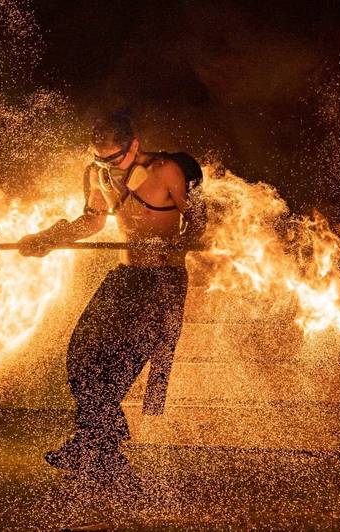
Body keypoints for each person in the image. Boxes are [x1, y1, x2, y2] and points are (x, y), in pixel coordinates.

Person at [18, 111, 207, 486]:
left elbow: (198, 222)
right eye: (99, 158)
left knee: (119, 367)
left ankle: (95, 447)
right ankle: (101, 448)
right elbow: (91, 221)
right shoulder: (96, 173)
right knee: (81, 355)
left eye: (114, 158)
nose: (107, 165)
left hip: (160, 282)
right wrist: (49, 239)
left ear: (134, 145)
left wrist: (178, 247)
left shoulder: (166, 171)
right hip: (123, 278)